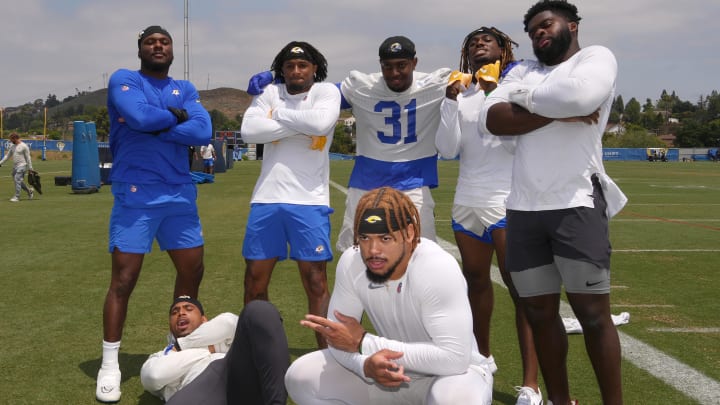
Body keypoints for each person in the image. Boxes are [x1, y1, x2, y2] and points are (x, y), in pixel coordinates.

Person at [481, 1, 625, 404]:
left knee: (594, 317)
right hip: (524, 211)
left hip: (576, 203)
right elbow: (492, 119)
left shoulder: (596, 57)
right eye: (532, 31)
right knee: (540, 316)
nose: (538, 33)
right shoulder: (524, 70)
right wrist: (555, 109)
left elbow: (583, 96)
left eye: (546, 25)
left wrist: (524, 101)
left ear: (572, 25)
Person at [285, 187, 494, 405]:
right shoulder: (352, 263)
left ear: (410, 233)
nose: (373, 250)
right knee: (301, 376)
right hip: (389, 374)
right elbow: (339, 339)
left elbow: (454, 359)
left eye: (385, 238)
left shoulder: (436, 266)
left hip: (450, 378)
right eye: (365, 238)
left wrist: (364, 343)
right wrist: (364, 366)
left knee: (457, 401)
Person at [246, 35, 452, 253]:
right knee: (354, 252)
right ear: (380, 64)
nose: (394, 73)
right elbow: (312, 90)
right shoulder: (361, 86)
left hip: (413, 182)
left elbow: (478, 80)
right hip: (366, 180)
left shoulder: (438, 83)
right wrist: (275, 75)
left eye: (402, 65)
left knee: (423, 253)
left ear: (414, 63)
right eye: (387, 66)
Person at [97, 25, 212, 403]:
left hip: (179, 193)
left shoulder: (186, 88)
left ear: (172, 50)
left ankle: (179, 345)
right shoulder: (124, 79)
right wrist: (175, 119)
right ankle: (110, 363)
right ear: (141, 49)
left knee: (191, 270)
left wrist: (159, 123)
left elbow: (203, 129)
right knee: (124, 279)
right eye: (151, 42)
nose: (158, 46)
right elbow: (139, 119)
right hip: (137, 193)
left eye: (164, 42)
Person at [434, 26, 542, 405]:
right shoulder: (460, 92)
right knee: (475, 284)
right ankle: (483, 360)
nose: (480, 44)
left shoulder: (518, 83)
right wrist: (449, 101)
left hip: (508, 200)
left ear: (503, 49)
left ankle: (531, 385)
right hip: (467, 202)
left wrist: (496, 91)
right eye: (473, 42)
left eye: (488, 40)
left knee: (522, 292)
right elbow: (447, 150)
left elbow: (514, 140)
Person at [239, 41, 341, 349]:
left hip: (309, 201)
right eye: (290, 66)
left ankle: (326, 356)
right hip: (267, 199)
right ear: (282, 70)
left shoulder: (326, 93)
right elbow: (249, 131)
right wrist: (302, 127)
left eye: (302, 65)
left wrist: (277, 117)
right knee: (255, 281)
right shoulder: (270, 92)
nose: (296, 70)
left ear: (314, 68)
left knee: (316, 282)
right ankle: (257, 351)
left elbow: (322, 123)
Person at [140, 296, 290, 404]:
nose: (181, 313)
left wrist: (181, 346)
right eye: (175, 312)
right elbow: (154, 376)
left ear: (205, 320)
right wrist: (209, 349)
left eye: (189, 308)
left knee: (260, 310)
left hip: (238, 379)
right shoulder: (160, 356)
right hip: (201, 393)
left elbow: (229, 322)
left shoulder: (225, 334)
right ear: (170, 326)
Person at [0, 133, 34, 202]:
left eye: (11, 139)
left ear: (15, 138)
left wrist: (30, 168)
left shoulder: (24, 146)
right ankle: (29, 191)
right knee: (18, 180)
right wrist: (0, 163)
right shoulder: (13, 146)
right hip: (15, 166)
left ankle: (17, 197)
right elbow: (7, 156)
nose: (10, 141)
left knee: (17, 178)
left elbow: (28, 158)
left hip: (22, 165)